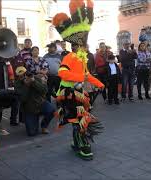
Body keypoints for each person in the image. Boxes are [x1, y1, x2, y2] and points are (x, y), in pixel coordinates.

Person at [52, 0, 104, 160]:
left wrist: (99, 84)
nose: (86, 45)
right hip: (69, 94)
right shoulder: (69, 57)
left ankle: (77, 142)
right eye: (84, 43)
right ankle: (81, 144)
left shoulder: (82, 58)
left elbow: (87, 75)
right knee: (78, 120)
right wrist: (80, 77)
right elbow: (62, 73)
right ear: (76, 45)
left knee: (79, 119)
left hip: (79, 93)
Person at [15, 66, 55, 136]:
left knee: (51, 110)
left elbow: (44, 90)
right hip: (29, 109)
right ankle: (34, 120)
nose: (23, 77)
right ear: (18, 77)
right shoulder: (17, 84)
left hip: (40, 103)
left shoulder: (35, 78)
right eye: (20, 76)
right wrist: (26, 85)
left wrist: (34, 82)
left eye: (24, 75)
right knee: (32, 133)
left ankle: (44, 126)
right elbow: (23, 99)